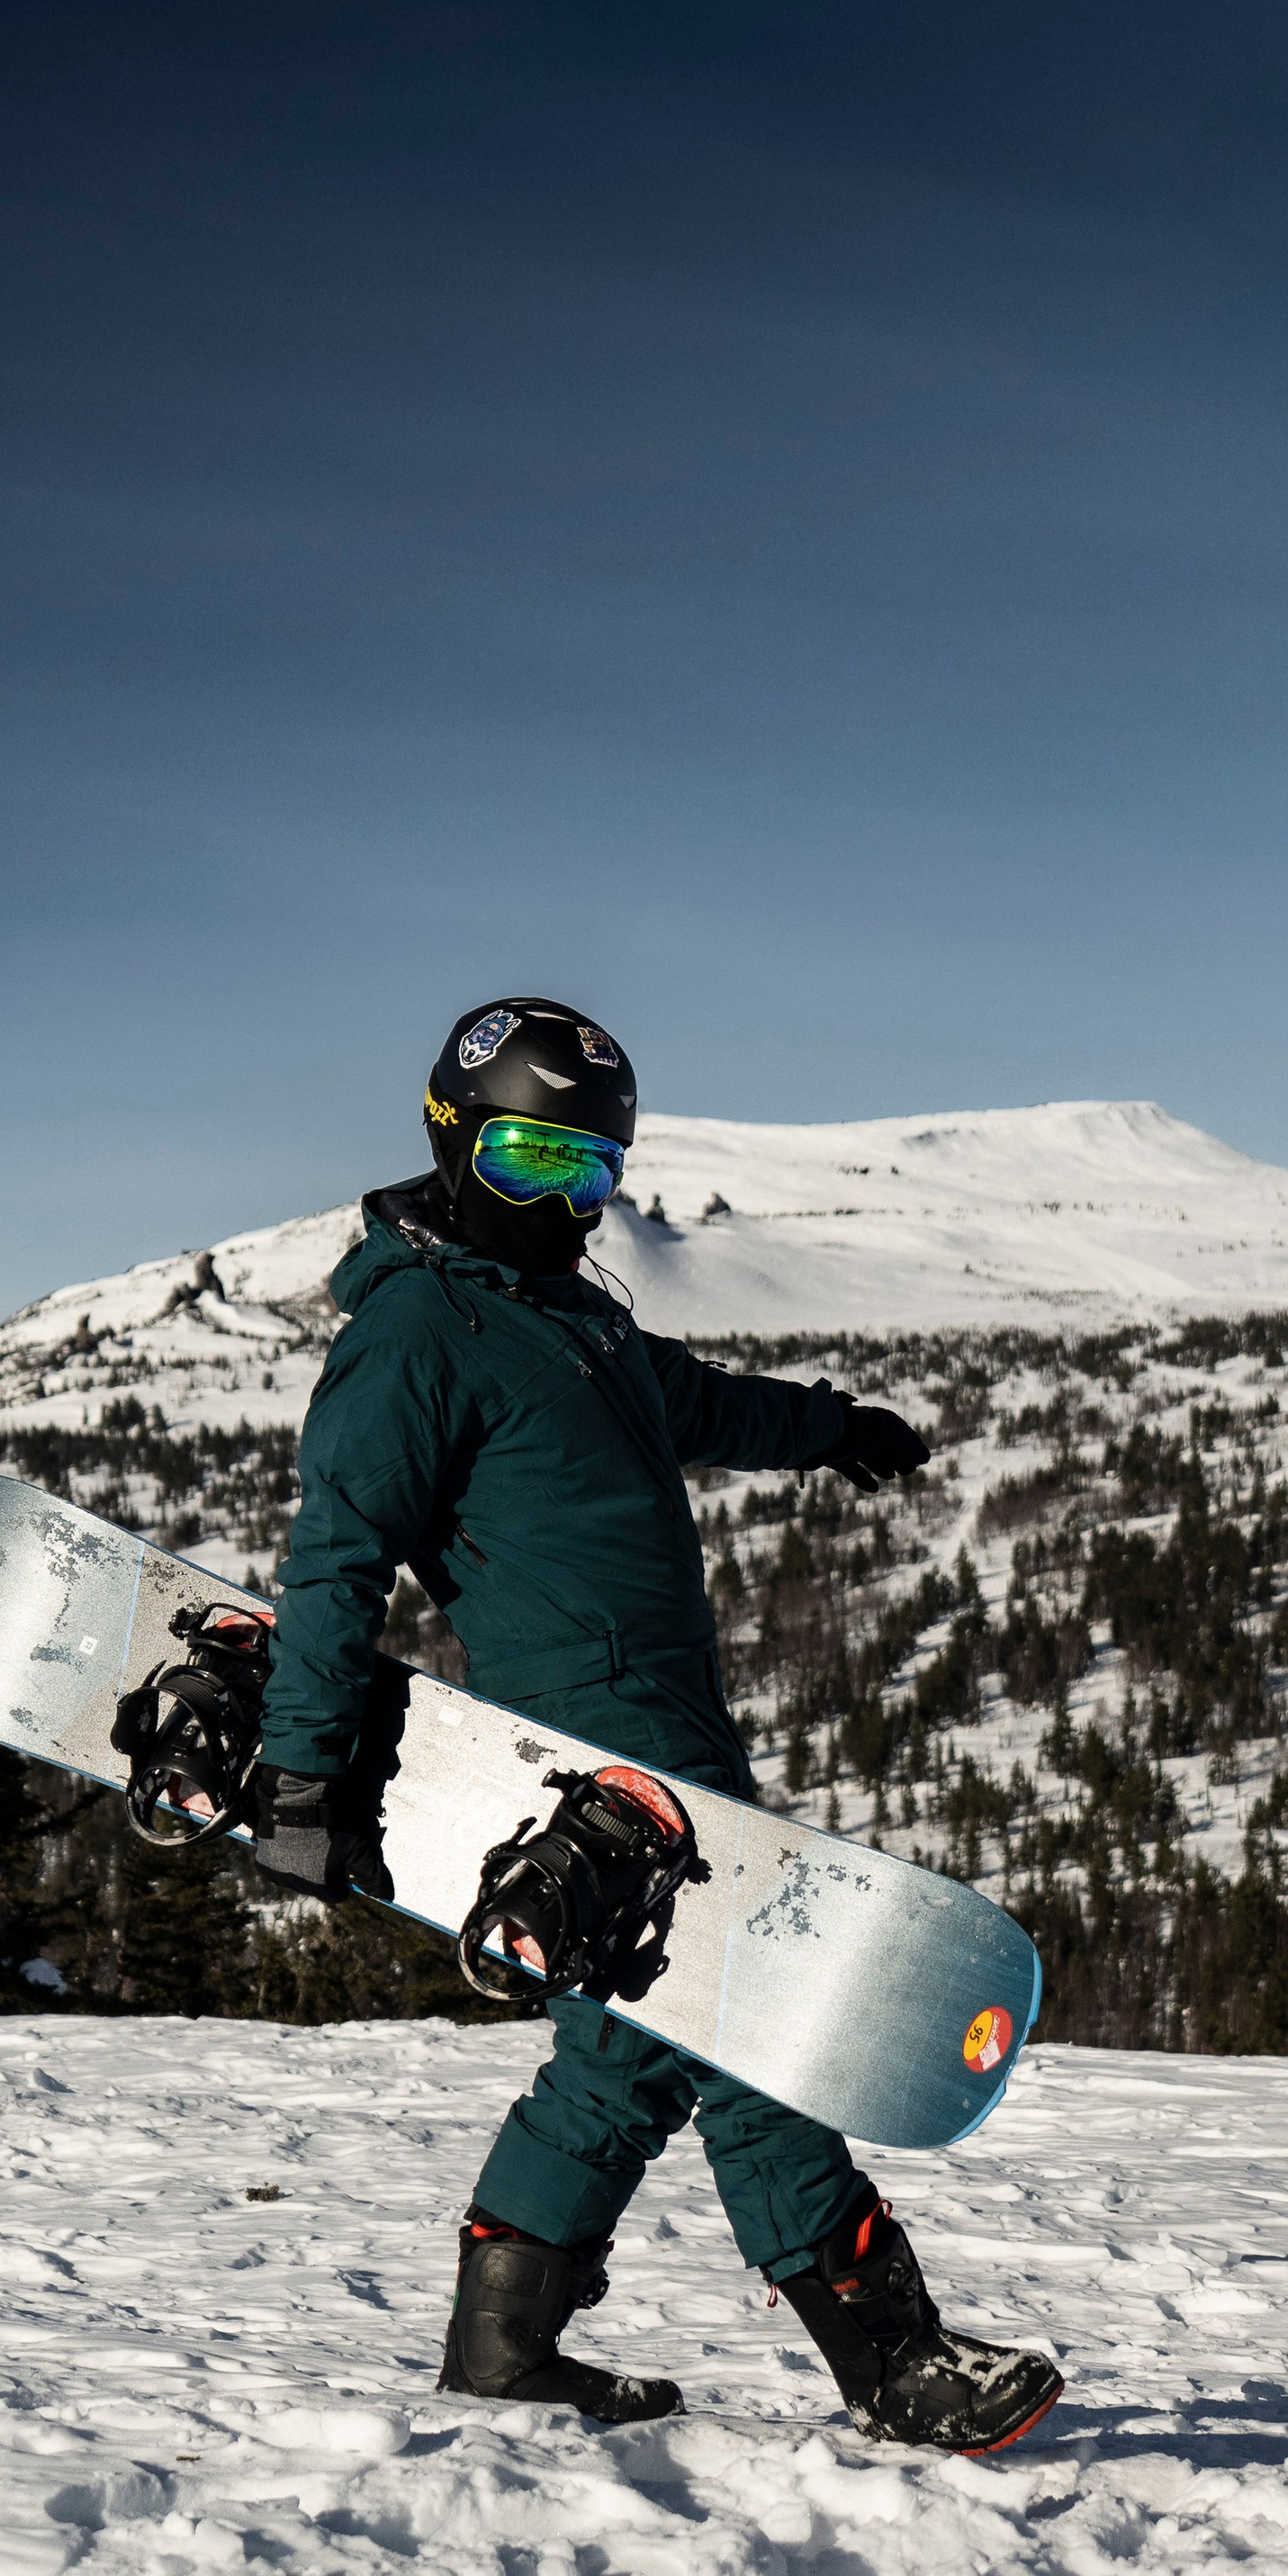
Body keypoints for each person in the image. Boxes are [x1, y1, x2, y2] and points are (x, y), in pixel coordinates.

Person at [246, 997, 1062, 2457]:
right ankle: (890, 2357)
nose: (561, 1199)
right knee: (743, 2017)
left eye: (589, 1171)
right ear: (449, 1136)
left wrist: (830, 1428)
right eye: (526, 1156)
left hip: (674, 1726)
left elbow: (687, 1402)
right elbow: (336, 1558)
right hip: (587, 1737)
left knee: (634, 2044)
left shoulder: (572, 1316)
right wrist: (300, 1769)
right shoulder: (417, 1329)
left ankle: (506, 2346)